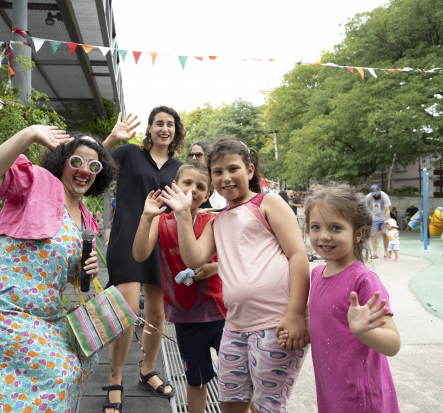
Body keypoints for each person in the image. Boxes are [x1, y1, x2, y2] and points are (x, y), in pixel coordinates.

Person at [0, 126, 114, 412]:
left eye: (94, 166)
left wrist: (85, 270)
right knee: (60, 371)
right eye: (76, 161)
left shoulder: (87, 221)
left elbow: (72, 277)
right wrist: (29, 133)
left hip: (45, 314)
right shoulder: (36, 182)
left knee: (84, 358)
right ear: (61, 163)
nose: (84, 171)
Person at [160, 138, 310, 413]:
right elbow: (194, 257)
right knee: (230, 403)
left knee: (268, 405)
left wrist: (296, 315)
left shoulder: (268, 203)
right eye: (217, 172)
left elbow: (298, 257)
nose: (225, 178)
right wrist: (182, 215)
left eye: (233, 169)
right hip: (235, 327)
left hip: (275, 322)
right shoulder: (218, 220)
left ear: (250, 170)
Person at [102, 108, 184, 412]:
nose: (164, 128)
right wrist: (112, 137)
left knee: (157, 313)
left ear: (176, 131)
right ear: (149, 128)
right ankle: (115, 378)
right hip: (126, 237)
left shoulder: (180, 167)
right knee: (124, 311)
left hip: (163, 241)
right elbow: (91, 161)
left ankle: (147, 369)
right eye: (159, 123)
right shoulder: (128, 153)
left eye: (170, 124)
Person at [297, 183, 400, 412]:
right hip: (331, 386)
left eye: (335, 227)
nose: (323, 236)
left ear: (358, 233)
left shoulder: (363, 281)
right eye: (315, 227)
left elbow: (393, 344)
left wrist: (365, 330)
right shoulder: (317, 274)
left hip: (360, 394)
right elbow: (323, 323)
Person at [133, 163, 226, 413]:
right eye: (187, 183)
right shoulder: (161, 221)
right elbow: (140, 254)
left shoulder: (214, 219)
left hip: (221, 313)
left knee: (237, 378)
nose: (193, 190)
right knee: (195, 380)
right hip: (185, 317)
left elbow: (237, 258)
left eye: (200, 187)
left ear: (207, 195)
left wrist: (213, 268)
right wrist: (146, 216)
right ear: (174, 187)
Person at [190, 140, 227, 210]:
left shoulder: (220, 177)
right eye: (191, 155)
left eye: (198, 154)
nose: (194, 157)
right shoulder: (188, 179)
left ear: (208, 157)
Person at [365, 184, 391, 259]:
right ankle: (375, 253)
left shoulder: (384, 196)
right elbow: (365, 209)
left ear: (380, 190)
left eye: (377, 193)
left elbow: (387, 210)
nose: (376, 195)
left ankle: (386, 252)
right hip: (374, 219)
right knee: (374, 234)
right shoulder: (368, 197)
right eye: (374, 194)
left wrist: (387, 222)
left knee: (385, 233)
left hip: (384, 218)